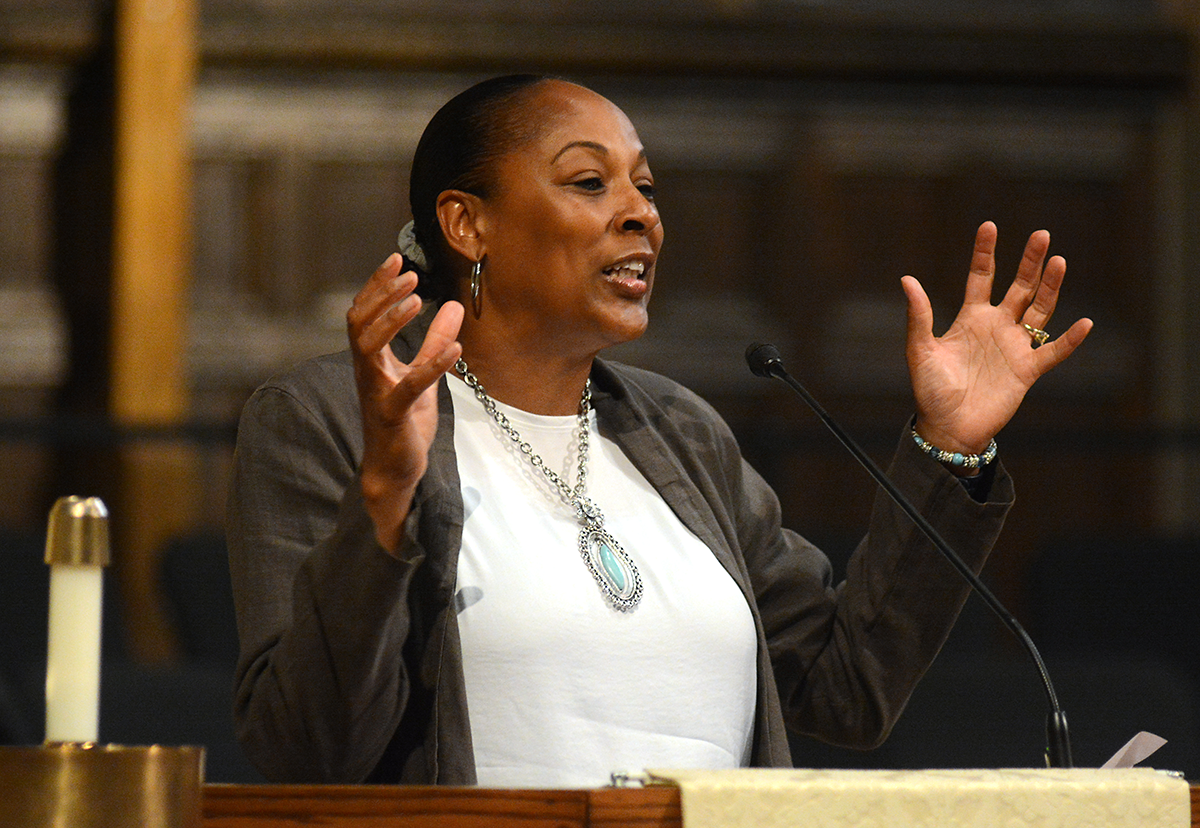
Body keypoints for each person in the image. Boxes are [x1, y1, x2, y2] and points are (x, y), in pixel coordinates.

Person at [226, 74, 1092, 787]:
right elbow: (303, 754)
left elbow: (845, 690)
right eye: (588, 181)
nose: (641, 212)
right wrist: (384, 501)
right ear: (467, 223)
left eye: (646, 185)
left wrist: (949, 447)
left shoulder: (679, 433)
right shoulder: (329, 421)